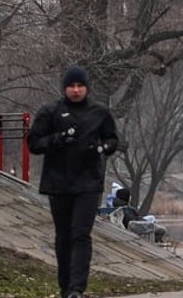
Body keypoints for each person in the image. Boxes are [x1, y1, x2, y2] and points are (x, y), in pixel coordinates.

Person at [27, 66, 121, 298]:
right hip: (58, 183)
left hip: (88, 183)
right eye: (72, 86)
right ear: (65, 88)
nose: (76, 90)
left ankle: (77, 289)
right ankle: (65, 285)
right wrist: (60, 138)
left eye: (80, 86)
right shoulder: (51, 112)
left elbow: (113, 139)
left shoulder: (99, 112)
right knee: (64, 236)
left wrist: (102, 148)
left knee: (81, 234)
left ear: (87, 88)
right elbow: (34, 144)